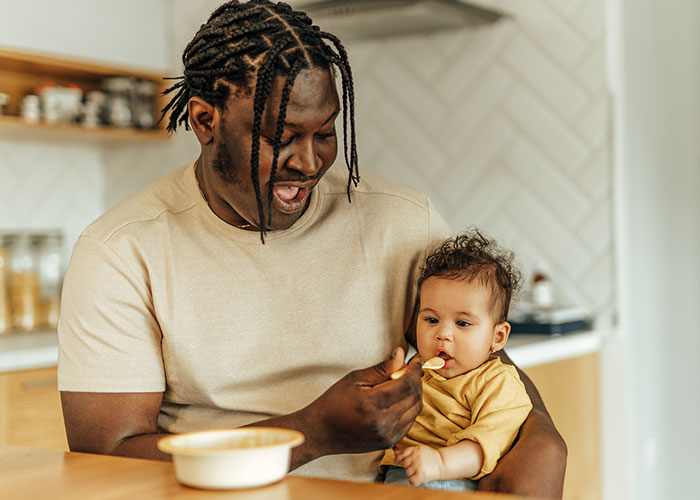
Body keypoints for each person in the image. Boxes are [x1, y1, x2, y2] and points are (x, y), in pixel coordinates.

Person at [57, 1, 566, 497]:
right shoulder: (120, 251)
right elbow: (106, 459)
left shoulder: (405, 222)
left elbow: (483, 364)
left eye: (324, 133)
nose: (308, 162)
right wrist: (313, 433)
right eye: (280, 136)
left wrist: (542, 438)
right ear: (205, 121)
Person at [380, 230, 532, 491]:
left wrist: (439, 463)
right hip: (396, 477)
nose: (442, 334)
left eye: (462, 323)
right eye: (431, 320)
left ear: (497, 336)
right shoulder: (417, 369)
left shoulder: (497, 384)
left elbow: (484, 446)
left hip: (452, 480)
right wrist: (391, 387)